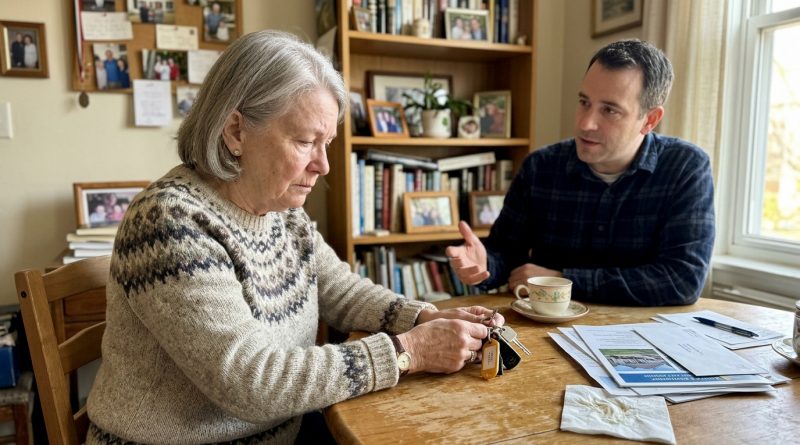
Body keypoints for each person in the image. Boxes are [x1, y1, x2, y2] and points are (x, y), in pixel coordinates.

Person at [85, 30, 502, 445]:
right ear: (236, 132)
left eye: (328, 144)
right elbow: (249, 380)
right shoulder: (169, 221)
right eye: (305, 142)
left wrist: (424, 317)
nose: (323, 165)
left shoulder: (283, 210)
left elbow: (340, 290)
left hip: (286, 430)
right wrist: (409, 350)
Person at [446, 39, 715, 307]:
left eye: (610, 110)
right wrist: (483, 263)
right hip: (547, 332)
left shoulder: (686, 168)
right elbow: (506, 256)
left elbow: (683, 279)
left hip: (644, 336)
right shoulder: (540, 167)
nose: (585, 123)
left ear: (650, 120)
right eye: (584, 102)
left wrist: (562, 281)